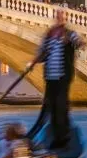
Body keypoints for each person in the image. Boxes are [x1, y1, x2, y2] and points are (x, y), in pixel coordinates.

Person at [30, 9, 83, 149]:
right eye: (58, 17)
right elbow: (41, 53)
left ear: (65, 19)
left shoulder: (70, 34)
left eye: (62, 17)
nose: (59, 19)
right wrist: (32, 63)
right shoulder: (48, 35)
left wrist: (73, 42)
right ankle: (54, 137)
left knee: (60, 106)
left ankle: (63, 138)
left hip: (62, 76)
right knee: (50, 107)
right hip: (50, 77)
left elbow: (80, 43)